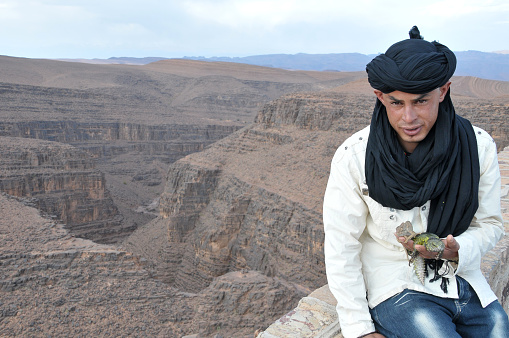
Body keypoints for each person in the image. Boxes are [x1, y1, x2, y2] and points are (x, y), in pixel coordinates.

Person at [323, 26, 509, 338]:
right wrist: (359, 328)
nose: (409, 117)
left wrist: (456, 250)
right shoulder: (354, 157)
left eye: (420, 102)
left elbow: (490, 224)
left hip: (461, 280)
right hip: (397, 286)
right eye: (397, 103)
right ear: (380, 98)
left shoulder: (476, 147)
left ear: (443, 91)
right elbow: (342, 246)